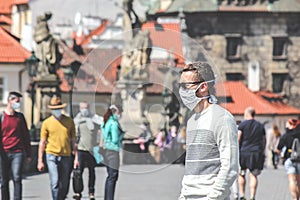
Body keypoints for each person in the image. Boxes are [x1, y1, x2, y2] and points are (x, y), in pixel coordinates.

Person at [178, 62, 239, 200]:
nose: (181, 90)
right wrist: (183, 195)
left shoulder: (221, 118)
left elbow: (230, 166)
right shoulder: (192, 120)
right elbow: (192, 165)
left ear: (203, 86)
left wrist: (213, 197)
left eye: (185, 86)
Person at [37, 96, 79, 200]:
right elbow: (42, 142)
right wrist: (40, 160)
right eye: (55, 109)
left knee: (64, 183)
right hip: (51, 154)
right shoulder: (46, 123)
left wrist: (76, 158)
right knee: (54, 181)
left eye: (59, 109)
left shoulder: (69, 121)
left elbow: (74, 140)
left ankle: (62, 197)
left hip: (66, 155)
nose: (57, 111)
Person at [0, 91, 31, 200]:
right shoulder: (1, 116)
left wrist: (28, 154)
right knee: (3, 181)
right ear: (9, 101)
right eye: (16, 101)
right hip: (3, 152)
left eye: (19, 102)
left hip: (18, 152)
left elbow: (26, 136)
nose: (18, 104)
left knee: (17, 178)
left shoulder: (20, 117)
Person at [73, 102, 103, 200]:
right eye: (82, 108)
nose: (84, 110)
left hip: (92, 149)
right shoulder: (77, 121)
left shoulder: (94, 119)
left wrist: (100, 142)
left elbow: (102, 127)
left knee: (92, 172)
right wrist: (75, 150)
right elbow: (75, 136)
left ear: (89, 108)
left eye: (85, 108)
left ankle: (91, 192)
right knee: (79, 172)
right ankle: (78, 191)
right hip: (81, 149)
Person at [238, 107, 266, 200]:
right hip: (256, 153)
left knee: (241, 174)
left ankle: (242, 195)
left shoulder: (242, 125)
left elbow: (238, 138)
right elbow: (263, 140)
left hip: (244, 152)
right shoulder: (260, 126)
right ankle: (252, 196)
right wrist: (262, 150)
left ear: (247, 114)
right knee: (253, 175)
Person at [101, 105, 124, 200]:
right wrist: (121, 136)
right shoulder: (114, 123)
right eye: (119, 113)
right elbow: (114, 139)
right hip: (113, 151)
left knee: (109, 176)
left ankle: (107, 197)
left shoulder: (106, 122)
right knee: (113, 176)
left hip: (106, 150)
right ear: (115, 113)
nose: (120, 115)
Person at [277, 118, 300, 200]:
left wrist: (281, 155)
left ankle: (295, 198)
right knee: (298, 181)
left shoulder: (286, 135)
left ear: (291, 125)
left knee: (292, 180)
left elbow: (279, 148)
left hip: (290, 158)